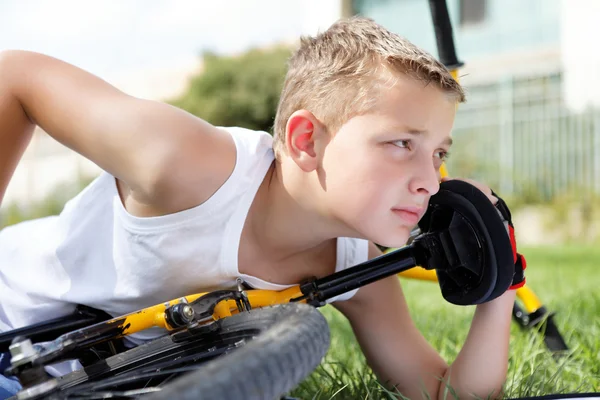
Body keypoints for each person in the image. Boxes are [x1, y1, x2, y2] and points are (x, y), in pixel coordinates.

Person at [0, 16, 522, 399]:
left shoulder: (357, 266)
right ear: (306, 140)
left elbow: (443, 395)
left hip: (84, 381)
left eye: (438, 154)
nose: (430, 182)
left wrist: (499, 279)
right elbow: (16, 76)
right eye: (401, 144)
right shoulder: (187, 163)